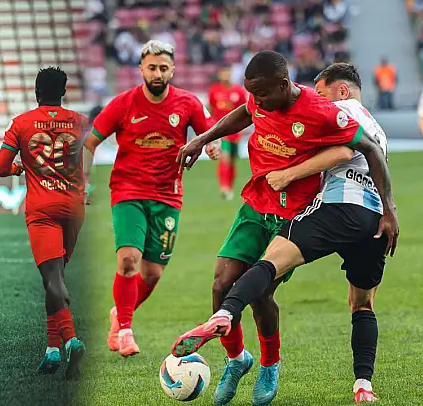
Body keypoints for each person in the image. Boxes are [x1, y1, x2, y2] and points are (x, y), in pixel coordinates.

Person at [171, 51, 397, 406]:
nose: (257, 100)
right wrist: (202, 137)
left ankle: (269, 365)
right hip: (257, 203)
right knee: (220, 283)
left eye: (262, 94)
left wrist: (291, 174)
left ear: (284, 85)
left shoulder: (327, 111)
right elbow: (245, 112)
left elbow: (354, 151)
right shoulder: (262, 98)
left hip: (294, 210)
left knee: (262, 292)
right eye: (253, 93)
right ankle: (236, 359)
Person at [84, 40, 218, 358]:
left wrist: (212, 145)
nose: (157, 73)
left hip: (168, 195)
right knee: (128, 259)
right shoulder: (122, 104)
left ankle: (120, 313)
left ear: (172, 70)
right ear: (141, 69)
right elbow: (89, 142)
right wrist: (83, 182)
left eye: (163, 68)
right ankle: (126, 329)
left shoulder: (187, 103)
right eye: (152, 67)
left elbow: (210, 132)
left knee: (152, 273)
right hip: (128, 191)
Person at [0, 67, 87, 378]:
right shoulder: (79, 121)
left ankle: (71, 340)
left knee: (52, 279)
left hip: (43, 209)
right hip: (74, 208)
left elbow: (0, 167)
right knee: (55, 277)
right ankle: (51, 350)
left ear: (36, 92)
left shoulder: (21, 123)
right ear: (63, 92)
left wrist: (18, 168)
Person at [208, 67, 248, 199]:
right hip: (221, 131)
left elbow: (244, 110)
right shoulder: (214, 90)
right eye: (223, 73)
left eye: (228, 73)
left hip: (235, 131)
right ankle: (224, 188)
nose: (225, 75)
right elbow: (211, 108)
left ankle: (230, 187)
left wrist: (242, 127)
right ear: (220, 75)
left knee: (232, 161)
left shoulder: (239, 91)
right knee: (224, 158)